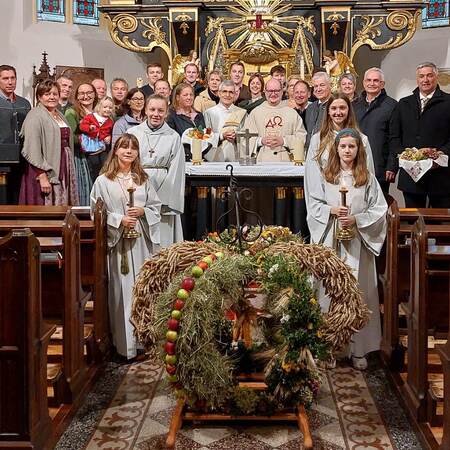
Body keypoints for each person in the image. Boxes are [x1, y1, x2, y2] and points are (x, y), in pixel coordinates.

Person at [307, 128, 387, 370]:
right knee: (328, 291)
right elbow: (314, 205)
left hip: (357, 243)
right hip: (331, 241)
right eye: (343, 146)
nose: (347, 150)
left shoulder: (367, 178)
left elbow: (379, 210)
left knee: (358, 293)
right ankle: (328, 348)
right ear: (336, 149)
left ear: (358, 149)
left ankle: (358, 350)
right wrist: (331, 211)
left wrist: (357, 219)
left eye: (352, 146)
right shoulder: (327, 176)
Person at [90, 133, 161, 360]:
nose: (128, 151)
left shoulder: (143, 179)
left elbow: (156, 207)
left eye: (133, 148)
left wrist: (142, 211)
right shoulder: (103, 181)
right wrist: (119, 220)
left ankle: (143, 343)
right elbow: (95, 212)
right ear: (116, 151)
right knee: (122, 293)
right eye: (124, 147)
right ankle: (124, 347)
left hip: (140, 244)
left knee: (142, 291)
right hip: (119, 244)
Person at [390, 62, 450, 207]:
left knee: (440, 219)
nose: (425, 80)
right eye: (421, 76)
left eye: (429, 75)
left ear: (436, 77)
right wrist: (403, 154)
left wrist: (442, 153)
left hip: (440, 176)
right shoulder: (403, 103)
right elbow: (394, 136)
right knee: (413, 218)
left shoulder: (448, 102)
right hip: (411, 177)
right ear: (417, 79)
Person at [128, 94, 185, 247]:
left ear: (166, 113)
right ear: (145, 110)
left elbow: (176, 171)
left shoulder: (173, 137)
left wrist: (163, 200)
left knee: (163, 236)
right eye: (152, 109)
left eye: (161, 110)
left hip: (164, 189)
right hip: (138, 186)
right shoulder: (133, 133)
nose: (156, 114)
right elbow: (125, 163)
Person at [19, 79, 78, 206]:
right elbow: (32, 148)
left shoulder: (59, 114)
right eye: (47, 94)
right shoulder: (35, 115)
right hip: (43, 169)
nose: (52, 97)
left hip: (63, 163)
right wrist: (42, 175)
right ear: (39, 97)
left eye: (55, 94)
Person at [354, 68, 397, 193]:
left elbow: (395, 138)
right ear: (363, 83)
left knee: (378, 202)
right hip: (356, 164)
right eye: (368, 80)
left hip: (379, 166)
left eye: (376, 81)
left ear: (382, 84)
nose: (371, 83)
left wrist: (392, 166)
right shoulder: (354, 105)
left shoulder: (392, 106)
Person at [306, 94, 374, 173]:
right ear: (328, 111)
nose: (338, 112)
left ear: (349, 110)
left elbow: (368, 171)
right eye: (334, 108)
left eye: (342, 108)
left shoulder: (362, 139)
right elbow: (312, 172)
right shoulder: (318, 139)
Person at [244, 78, 306, 162]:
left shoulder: (292, 113)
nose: (273, 94)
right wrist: (260, 141)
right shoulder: (255, 113)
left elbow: (302, 137)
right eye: (270, 91)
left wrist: (284, 141)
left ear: (282, 91)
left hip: (287, 162)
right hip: (261, 161)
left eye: (276, 90)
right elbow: (245, 139)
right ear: (265, 92)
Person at [0, 64, 31, 204]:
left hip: (21, 158)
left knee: (18, 196)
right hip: (1, 158)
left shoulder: (24, 103)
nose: (10, 82)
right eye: (5, 78)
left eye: (13, 78)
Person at [65, 82, 98, 205]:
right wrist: (93, 141)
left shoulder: (100, 111)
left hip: (100, 158)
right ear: (77, 96)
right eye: (82, 93)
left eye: (89, 93)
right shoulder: (71, 112)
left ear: (95, 94)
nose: (86, 96)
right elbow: (71, 138)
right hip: (81, 158)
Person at [204, 80, 247, 161]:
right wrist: (222, 136)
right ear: (219, 93)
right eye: (224, 91)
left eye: (231, 92)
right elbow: (206, 137)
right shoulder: (209, 113)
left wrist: (236, 136)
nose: (227, 95)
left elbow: (247, 137)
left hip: (236, 157)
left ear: (235, 95)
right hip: (215, 158)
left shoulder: (242, 113)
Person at [167, 82, 206, 160]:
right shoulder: (171, 115)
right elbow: (171, 139)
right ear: (177, 97)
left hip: (200, 156)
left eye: (191, 95)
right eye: (185, 95)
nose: (189, 97)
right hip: (180, 157)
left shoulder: (199, 115)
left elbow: (204, 135)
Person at [79, 96, 114, 181]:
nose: (107, 109)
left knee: (105, 163)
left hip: (102, 146)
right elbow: (82, 126)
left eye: (110, 108)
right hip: (91, 143)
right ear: (99, 107)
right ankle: (94, 180)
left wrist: (108, 137)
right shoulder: (91, 117)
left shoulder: (110, 121)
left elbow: (109, 132)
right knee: (93, 163)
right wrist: (89, 128)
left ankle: (103, 179)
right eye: (105, 107)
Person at [304, 72, 332, 150]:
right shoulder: (310, 108)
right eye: (316, 86)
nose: (318, 89)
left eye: (322, 85)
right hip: (311, 151)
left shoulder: (336, 105)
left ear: (330, 86)